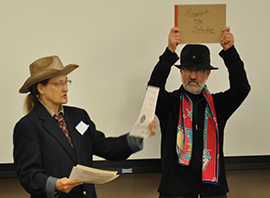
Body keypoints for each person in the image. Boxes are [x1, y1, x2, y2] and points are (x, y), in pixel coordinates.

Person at [13, 55, 156, 198]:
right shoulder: (28, 126)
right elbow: (28, 174)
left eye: (66, 82)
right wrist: (54, 184)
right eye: (59, 84)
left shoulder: (78, 116)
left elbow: (103, 146)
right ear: (40, 88)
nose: (66, 89)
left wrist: (138, 134)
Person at [147, 27, 250, 198]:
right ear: (181, 71)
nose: (193, 76)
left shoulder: (218, 105)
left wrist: (229, 51)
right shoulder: (169, 104)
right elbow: (152, 90)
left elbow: (242, 89)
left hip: (212, 190)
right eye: (188, 69)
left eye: (199, 70)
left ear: (207, 74)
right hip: (174, 191)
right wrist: (170, 51)